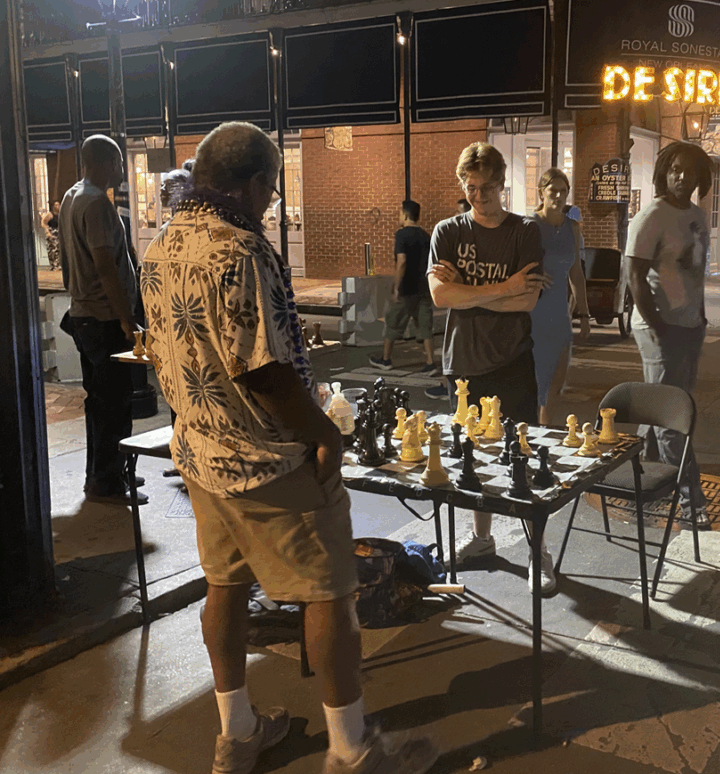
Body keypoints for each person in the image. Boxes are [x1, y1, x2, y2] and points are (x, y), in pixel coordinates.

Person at [140, 122, 438, 774]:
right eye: (271, 191)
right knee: (329, 596)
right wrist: (323, 433)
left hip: (200, 455)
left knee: (223, 587)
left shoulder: (161, 247)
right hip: (269, 462)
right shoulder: (242, 250)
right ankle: (351, 749)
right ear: (251, 184)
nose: (271, 203)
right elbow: (265, 372)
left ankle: (238, 733)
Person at [426, 142, 555, 593]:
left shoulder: (525, 232)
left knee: (518, 456)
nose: (478, 195)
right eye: (470, 186)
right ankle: (483, 540)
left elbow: (529, 300)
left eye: (487, 187)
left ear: (504, 184)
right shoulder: (446, 232)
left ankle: (538, 550)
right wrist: (504, 286)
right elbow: (441, 298)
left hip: (512, 359)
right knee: (470, 459)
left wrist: (472, 289)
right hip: (463, 361)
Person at [625, 141, 715, 527]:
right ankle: (690, 497)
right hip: (659, 327)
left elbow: (695, 273)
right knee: (671, 417)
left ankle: (642, 486)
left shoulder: (696, 214)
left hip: (690, 325)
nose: (681, 176)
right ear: (664, 172)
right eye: (675, 169)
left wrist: (701, 316)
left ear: (700, 177)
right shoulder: (651, 216)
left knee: (663, 406)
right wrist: (658, 325)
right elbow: (634, 277)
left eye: (689, 170)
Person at [58, 135, 146, 506]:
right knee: (114, 402)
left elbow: (66, 257)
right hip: (105, 318)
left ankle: (102, 473)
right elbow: (105, 265)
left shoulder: (70, 197)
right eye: (119, 162)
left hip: (84, 314)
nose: (122, 171)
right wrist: (127, 320)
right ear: (106, 161)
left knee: (98, 401)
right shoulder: (95, 204)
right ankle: (107, 483)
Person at [527, 168, 590, 426]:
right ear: (541, 192)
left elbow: (575, 273)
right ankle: (527, 432)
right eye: (553, 191)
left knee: (556, 380)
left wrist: (584, 314)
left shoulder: (572, 228)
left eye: (564, 191)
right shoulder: (530, 225)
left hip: (559, 314)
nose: (559, 196)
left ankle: (545, 430)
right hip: (532, 313)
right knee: (534, 380)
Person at [369, 200, 436, 374]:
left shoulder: (401, 235)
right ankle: (430, 361)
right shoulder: (426, 236)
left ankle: (386, 359)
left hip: (407, 288)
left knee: (393, 323)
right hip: (424, 288)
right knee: (425, 326)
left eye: (400, 213)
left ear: (405, 215)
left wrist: (396, 286)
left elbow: (402, 261)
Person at [42, 200, 61, 270]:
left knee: (58, 250)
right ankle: (53, 265)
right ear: (53, 207)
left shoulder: (60, 214)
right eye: (56, 205)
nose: (58, 206)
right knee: (52, 251)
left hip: (58, 234)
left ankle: (58, 265)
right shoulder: (50, 214)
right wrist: (47, 232)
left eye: (58, 205)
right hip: (52, 233)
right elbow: (43, 223)